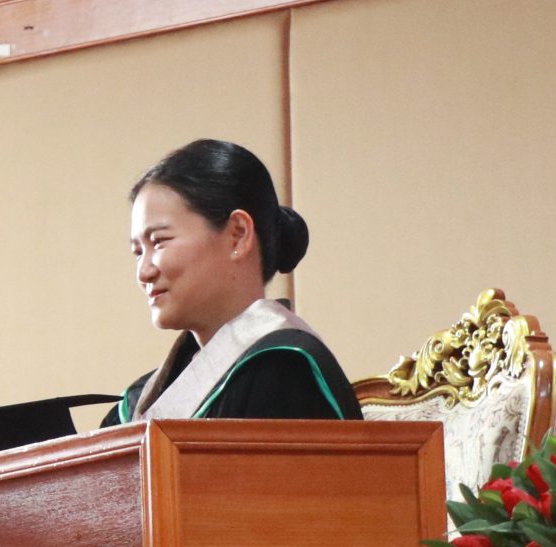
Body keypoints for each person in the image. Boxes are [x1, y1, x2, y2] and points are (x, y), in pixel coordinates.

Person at [105, 138, 363, 423]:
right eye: (138, 252)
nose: (144, 273)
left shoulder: (283, 371)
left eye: (159, 241)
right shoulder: (142, 399)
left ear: (238, 235)